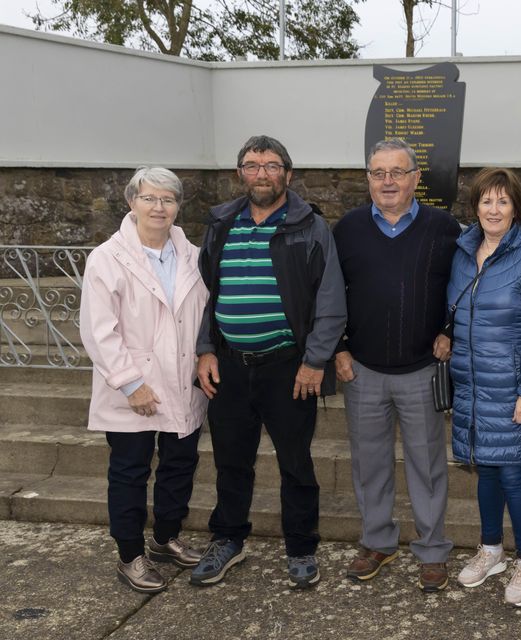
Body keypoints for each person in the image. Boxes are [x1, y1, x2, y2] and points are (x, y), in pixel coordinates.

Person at [192, 135, 346, 589]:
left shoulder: (310, 226)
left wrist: (315, 360)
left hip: (288, 367)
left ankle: (300, 547)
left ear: (288, 174)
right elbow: (205, 296)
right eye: (252, 165)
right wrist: (204, 349)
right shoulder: (220, 224)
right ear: (240, 173)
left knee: (295, 462)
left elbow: (331, 300)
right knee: (230, 461)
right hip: (229, 366)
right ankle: (228, 541)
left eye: (272, 165)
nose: (262, 173)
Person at [333, 138, 460, 592]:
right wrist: (338, 348)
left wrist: (450, 330)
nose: (387, 181)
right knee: (370, 464)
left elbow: (464, 289)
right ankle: (377, 542)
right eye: (378, 173)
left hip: (422, 370)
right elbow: (329, 295)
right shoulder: (345, 230)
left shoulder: (445, 228)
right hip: (361, 369)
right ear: (367, 178)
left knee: (427, 465)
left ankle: (431, 550)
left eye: (397, 172)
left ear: (415, 179)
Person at [79, 167, 208, 593]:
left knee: (178, 466)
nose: (159, 207)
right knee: (130, 472)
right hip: (134, 389)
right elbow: (98, 330)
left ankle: (164, 538)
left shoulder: (191, 254)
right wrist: (131, 384)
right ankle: (130, 555)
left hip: (182, 382)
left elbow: (202, 315)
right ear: (131, 203)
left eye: (168, 199)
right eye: (149, 198)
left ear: (178, 207)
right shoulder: (107, 258)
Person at [446, 167, 521, 607]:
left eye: (503, 201)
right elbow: (455, 309)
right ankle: (491, 549)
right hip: (472, 385)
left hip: (512, 389)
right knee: (485, 468)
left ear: (516, 209)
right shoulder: (461, 253)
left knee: (512, 475)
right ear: (475, 207)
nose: (494, 209)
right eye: (486, 201)